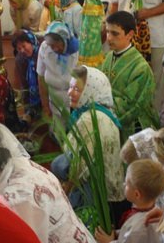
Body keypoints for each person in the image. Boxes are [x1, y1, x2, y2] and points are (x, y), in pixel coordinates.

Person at [50, 65, 123, 211]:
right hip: (108, 190)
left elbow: (79, 168)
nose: (70, 93)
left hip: (95, 194)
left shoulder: (89, 120)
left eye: (77, 90)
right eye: (71, 87)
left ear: (91, 91)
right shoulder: (103, 110)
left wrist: (65, 193)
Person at [99, 11, 158, 138]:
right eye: (108, 32)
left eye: (115, 33)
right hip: (106, 119)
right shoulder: (107, 57)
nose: (109, 38)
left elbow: (132, 105)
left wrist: (102, 109)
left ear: (130, 34)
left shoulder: (140, 68)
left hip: (133, 129)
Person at [37, 21, 78, 119]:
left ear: (65, 40)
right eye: (51, 46)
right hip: (54, 102)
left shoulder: (78, 51)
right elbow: (40, 77)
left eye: (58, 45)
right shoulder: (45, 47)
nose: (55, 49)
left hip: (73, 105)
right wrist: (45, 106)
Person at [11, 29, 41, 120]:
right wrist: (27, 107)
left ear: (31, 42)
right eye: (19, 49)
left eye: (24, 46)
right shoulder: (20, 59)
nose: (22, 50)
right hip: (31, 98)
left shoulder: (42, 53)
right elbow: (23, 85)